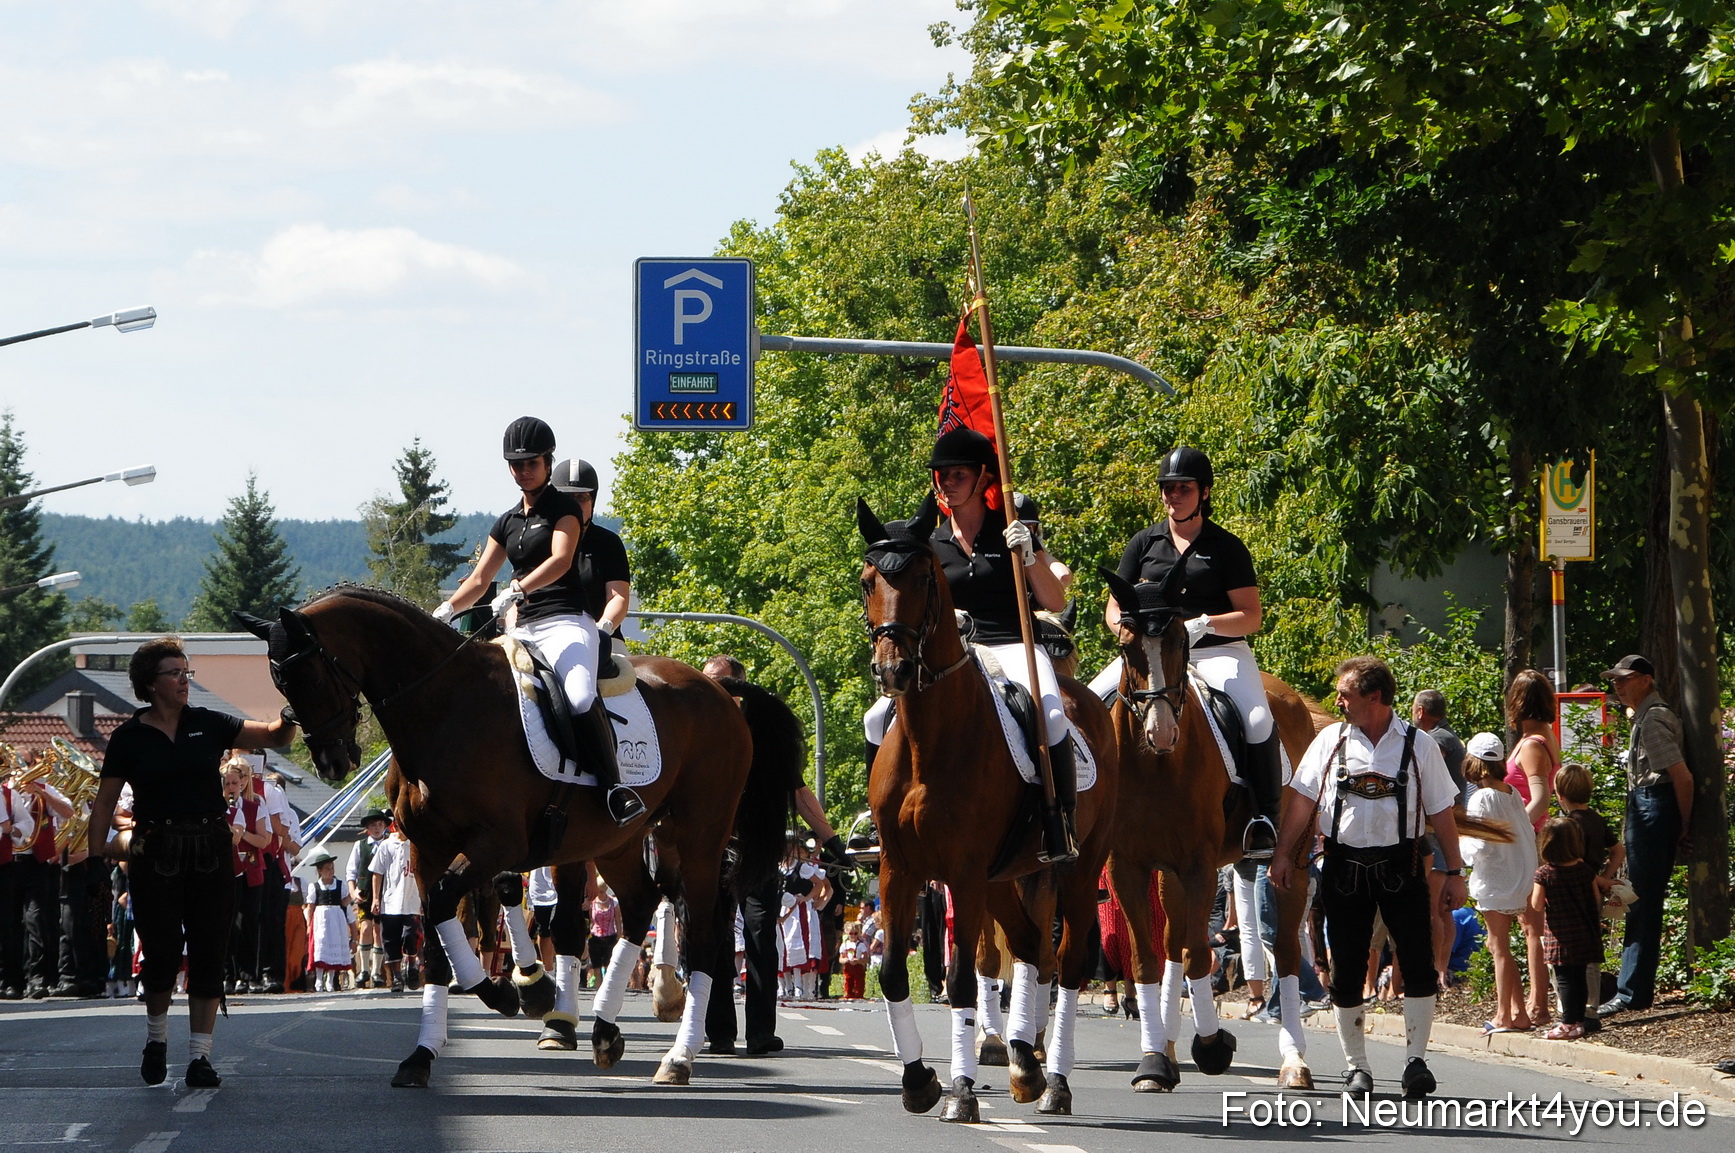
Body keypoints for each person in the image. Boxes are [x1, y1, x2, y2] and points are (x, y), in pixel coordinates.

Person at [86, 636, 298, 1088]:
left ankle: (200, 1057)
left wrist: (290, 712)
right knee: (161, 954)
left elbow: (273, 735)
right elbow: (104, 805)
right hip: (155, 850)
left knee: (208, 952)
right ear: (151, 682)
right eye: (175, 673)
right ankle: (156, 1040)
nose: (185, 681)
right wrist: (95, 861)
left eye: (187, 672)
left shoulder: (208, 723)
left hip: (210, 849)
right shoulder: (129, 737)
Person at [864, 427, 1077, 861]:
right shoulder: (930, 544)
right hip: (953, 654)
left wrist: (1030, 556)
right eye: (941, 475)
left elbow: (1055, 601)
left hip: (1013, 645)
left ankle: (1060, 823)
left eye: (958, 474)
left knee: (1052, 715)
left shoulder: (1011, 532)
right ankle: (877, 821)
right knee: (874, 718)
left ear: (983, 479)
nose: (947, 483)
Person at [1271, 656, 1465, 1100]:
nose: (1337, 700)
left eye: (1345, 693)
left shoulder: (1418, 745)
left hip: (1402, 864)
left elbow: (1441, 812)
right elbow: (1301, 802)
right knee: (1346, 969)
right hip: (1344, 867)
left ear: (1374, 697)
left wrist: (1455, 872)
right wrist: (1283, 853)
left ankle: (1415, 1061)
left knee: (1415, 961)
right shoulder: (1330, 742)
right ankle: (1356, 1067)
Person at [434, 419, 642, 825]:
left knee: (580, 695)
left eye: (531, 463)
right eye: (516, 464)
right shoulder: (506, 522)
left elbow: (561, 559)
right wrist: (447, 610)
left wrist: (518, 587)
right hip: (522, 630)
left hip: (566, 622)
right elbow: (478, 579)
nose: (523, 471)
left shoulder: (564, 509)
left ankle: (615, 788)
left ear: (547, 462)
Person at [1097, 446, 1278, 858]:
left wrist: (1206, 624)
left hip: (1218, 650)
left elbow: (1251, 616)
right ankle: (1082, 813)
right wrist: (1123, 629)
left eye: (1183, 488)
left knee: (1256, 718)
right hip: (1151, 653)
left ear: (1205, 492)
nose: (1173, 495)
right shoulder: (1144, 543)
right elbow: (1114, 605)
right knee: (1089, 704)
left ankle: (1264, 818)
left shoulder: (1226, 547)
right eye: (1167, 488)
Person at [699, 653, 849, 1055]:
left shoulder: (763, 732)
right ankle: (719, 1031)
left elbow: (797, 791)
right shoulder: (694, 725)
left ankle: (761, 1031)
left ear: (741, 689)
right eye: (707, 679)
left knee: (762, 935)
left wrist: (831, 839)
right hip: (710, 846)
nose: (713, 687)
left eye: (722, 682)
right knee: (712, 936)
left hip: (757, 848)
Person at [1598, 654, 1691, 1017]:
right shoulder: (1646, 717)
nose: (1617, 685)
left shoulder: (1653, 721)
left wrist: (1683, 823)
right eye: (1615, 680)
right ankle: (1633, 989)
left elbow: (1681, 776)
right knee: (1640, 900)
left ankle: (1632, 991)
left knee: (1639, 901)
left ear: (1647, 680)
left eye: (1625, 679)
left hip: (1653, 806)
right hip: (1650, 806)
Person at [1458, 733, 1538, 1033]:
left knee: (1499, 946)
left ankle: (1503, 1014)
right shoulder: (1510, 793)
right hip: (1519, 873)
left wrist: (1460, 843)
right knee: (1499, 944)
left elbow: (1480, 846)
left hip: (1497, 877)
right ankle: (1519, 1012)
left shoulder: (1481, 797)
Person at [1505, 668, 1560, 1025]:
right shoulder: (1545, 737)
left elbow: (1540, 797)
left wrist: (1516, 834)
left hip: (1531, 841)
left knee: (1532, 925)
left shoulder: (1532, 745)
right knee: (1533, 923)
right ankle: (1536, 999)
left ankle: (1538, 1004)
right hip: (1535, 838)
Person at [1555, 762, 1622, 1032]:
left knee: (1567, 951)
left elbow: (1575, 861)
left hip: (1572, 891)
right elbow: (1618, 850)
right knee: (1592, 951)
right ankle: (1591, 1008)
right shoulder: (1596, 819)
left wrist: (1598, 878)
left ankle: (1569, 1010)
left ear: (1560, 794)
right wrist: (1605, 875)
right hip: (1594, 891)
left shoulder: (1568, 825)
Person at [1411, 690, 1466, 991]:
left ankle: (1434, 971)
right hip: (1444, 830)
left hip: (1437, 831)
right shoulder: (1449, 736)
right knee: (1442, 910)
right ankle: (1440, 971)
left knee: (1433, 909)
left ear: (1420, 712)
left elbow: (1425, 778)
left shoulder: (1437, 741)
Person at [1530, 818, 1602, 1040]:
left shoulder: (1544, 874)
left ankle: (1568, 1023)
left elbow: (1536, 904)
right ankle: (1580, 1020)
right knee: (1580, 977)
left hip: (1560, 934)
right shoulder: (1585, 870)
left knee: (1564, 979)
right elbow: (1595, 898)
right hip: (1584, 932)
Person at [369, 823, 422, 992]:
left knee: (410, 935)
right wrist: (376, 899)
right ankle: (397, 977)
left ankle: (412, 963)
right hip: (391, 901)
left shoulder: (416, 844)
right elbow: (377, 872)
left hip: (412, 900)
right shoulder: (386, 845)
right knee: (390, 940)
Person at [345, 810, 389, 989]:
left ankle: (376, 971)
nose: (377, 828)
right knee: (365, 928)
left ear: (385, 826)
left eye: (379, 824)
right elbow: (351, 871)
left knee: (379, 930)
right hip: (365, 893)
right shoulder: (360, 845)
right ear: (367, 828)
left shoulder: (389, 845)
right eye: (373, 825)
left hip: (384, 892)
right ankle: (363, 969)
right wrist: (353, 891)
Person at [301, 849, 350, 993]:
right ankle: (318, 979)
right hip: (321, 918)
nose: (330, 871)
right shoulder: (314, 887)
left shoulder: (340, 885)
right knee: (321, 949)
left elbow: (345, 902)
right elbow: (311, 906)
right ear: (320, 871)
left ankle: (330, 980)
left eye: (332, 868)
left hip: (336, 917)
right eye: (327, 868)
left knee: (333, 947)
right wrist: (309, 924)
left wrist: (354, 895)